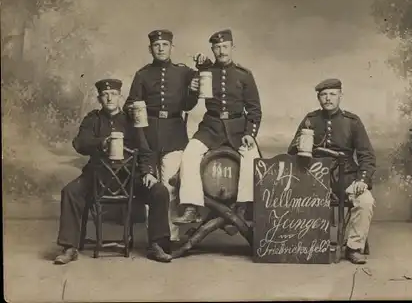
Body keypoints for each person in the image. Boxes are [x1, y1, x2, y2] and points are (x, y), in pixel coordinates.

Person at [54, 78, 173, 264]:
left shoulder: (131, 120)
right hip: (97, 176)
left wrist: (148, 171)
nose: (110, 98)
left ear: (120, 97)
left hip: (129, 178)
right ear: (99, 98)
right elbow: (79, 143)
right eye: (105, 95)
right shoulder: (92, 119)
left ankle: (157, 245)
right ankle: (70, 247)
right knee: (70, 192)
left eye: (114, 94)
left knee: (159, 191)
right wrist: (102, 142)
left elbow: (144, 150)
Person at [123, 29, 211, 242]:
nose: (161, 48)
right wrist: (135, 109)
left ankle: (169, 240)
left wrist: (203, 66)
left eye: (165, 45)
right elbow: (129, 104)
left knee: (171, 187)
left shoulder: (183, 73)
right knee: (152, 189)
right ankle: (155, 238)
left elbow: (192, 99)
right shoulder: (142, 75)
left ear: (172, 48)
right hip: (147, 135)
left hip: (174, 134)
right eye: (156, 45)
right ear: (150, 49)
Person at [173, 29, 262, 224]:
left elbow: (254, 110)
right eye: (217, 47)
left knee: (252, 156)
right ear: (212, 49)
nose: (221, 51)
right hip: (211, 127)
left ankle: (244, 207)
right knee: (189, 154)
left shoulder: (244, 75)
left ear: (232, 47)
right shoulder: (206, 73)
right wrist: (192, 89)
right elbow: (188, 104)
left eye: (225, 47)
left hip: (238, 128)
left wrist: (250, 134)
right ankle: (192, 207)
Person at [287, 78, 376, 264]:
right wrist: (299, 145)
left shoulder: (352, 122)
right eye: (324, 95)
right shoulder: (310, 120)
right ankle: (304, 244)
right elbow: (291, 152)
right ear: (319, 98)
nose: (328, 98)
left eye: (332, 94)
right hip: (314, 178)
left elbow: (367, 156)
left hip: (346, 178)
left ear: (340, 96)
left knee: (365, 200)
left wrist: (362, 180)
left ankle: (353, 247)